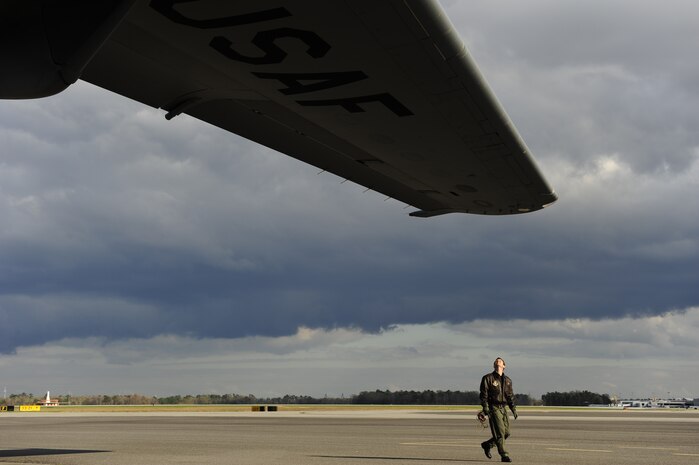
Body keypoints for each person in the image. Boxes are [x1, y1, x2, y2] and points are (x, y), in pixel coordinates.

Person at [479, 357, 517, 462]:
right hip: (493, 408)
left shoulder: (508, 381)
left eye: (500, 361)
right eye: (496, 361)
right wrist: (485, 407)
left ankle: (487, 445)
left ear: (504, 366)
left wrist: (513, 408)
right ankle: (504, 455)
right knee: (500, 432)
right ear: (494, 365)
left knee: (507, 433)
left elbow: (510, 396)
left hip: (503, 408)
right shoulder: (487, 378)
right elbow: (484, 394)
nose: (498, 361)